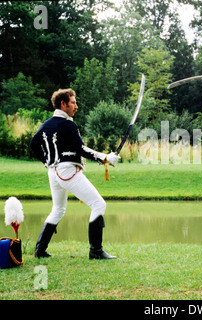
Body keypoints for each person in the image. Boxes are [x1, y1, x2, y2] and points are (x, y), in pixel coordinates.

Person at [30, 88, 120, 259]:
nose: (76, 106)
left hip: (53, 172)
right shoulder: (67, 124)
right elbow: (81, 149)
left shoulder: (46, 124)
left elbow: (33, 144)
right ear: (63, 104)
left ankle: (40, 251)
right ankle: (96, 251)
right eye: (73, 102)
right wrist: (105, 157)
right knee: (99, 204)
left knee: (58, 209)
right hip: (67, 171)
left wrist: (47, 161)